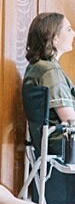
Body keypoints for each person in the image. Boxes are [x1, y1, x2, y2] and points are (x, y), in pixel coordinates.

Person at [23, 12, 75, 154]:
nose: (73, 34)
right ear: (55, 39)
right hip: (64, 146)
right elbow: (70, 119)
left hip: (51, 145)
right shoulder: (50, 71)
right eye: (68, 29)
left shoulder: (36, 68)